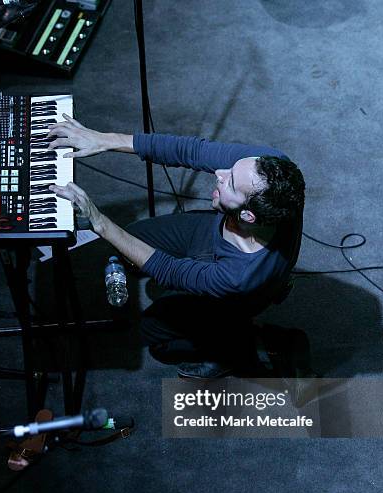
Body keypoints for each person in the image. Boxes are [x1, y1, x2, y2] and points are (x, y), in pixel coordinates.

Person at [47, 114, 306, 379]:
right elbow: (192, 150)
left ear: (248, 216)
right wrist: (104, 140)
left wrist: (99, 222)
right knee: (132, 240)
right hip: (217, 232)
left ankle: (234, 351)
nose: (219, 173)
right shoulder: (270, 166)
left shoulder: (241, 276)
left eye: (229, 182)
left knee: (156, 337)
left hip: (236, 287)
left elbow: (168, 270)